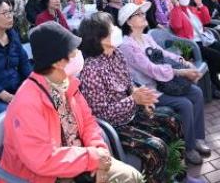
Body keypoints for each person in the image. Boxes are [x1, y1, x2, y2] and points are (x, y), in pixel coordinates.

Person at [0, 21, 142, 183]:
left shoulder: (67, 84)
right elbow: (42, 160)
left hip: (81, 158)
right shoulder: (27, 102)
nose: (77, 54)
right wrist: (92, 158)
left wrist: (100, 153)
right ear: (57, 62)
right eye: (73, 50)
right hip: (47, 175)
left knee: (132, 177)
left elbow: (89, 122)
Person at [78, 12, 183, 182]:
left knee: (173, 120)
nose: (117, 30)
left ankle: (176, 174)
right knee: (155, 148)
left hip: (132, 113)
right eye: (111, 28)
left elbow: (129, 85)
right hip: (115, 126)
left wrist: (143, 98)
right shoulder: (91, 69)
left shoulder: (116, 54)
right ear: (99, 37)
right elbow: (101, 113)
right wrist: (134, 100)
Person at [118, 3, 210, 169]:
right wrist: (181, 72)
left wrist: (182, 61)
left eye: (141, 12)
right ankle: (188, 149)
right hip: (150, 91)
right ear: (129, 22)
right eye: (138, 14)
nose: (143, 15)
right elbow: (150, 69)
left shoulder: (146, 37)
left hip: (163, 84)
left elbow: (164, 52)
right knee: (185, 104)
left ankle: (197, 139)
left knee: (196, 92)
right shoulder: (127, 46)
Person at [169, 0, 220, 100]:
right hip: (189, 45)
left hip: (203, 40)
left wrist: (200, 4)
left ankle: (214, 76)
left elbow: (206, 20)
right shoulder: (175, 12)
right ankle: (213, 84)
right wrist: (177, 6)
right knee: (215, 55)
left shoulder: (191, 9)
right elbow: (177, 26)